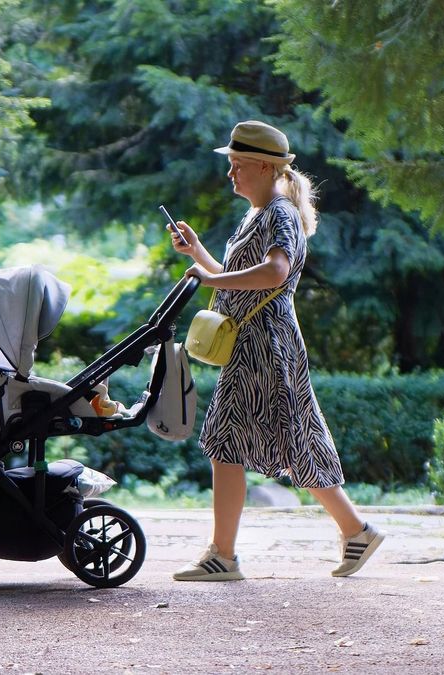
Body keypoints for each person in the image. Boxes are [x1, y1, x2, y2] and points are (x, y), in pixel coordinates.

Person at [168, 120, 385, 580]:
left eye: (237, 165)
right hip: (258, 340)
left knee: (231, 439)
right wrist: (198, 254)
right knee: (292, 438)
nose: (230, 174)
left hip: (265, 341)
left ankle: (223, 555)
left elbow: (275, 273)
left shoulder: (279, 214)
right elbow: (237, 276)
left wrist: (211, 278)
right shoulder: (260, 213)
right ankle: (356, 531)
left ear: (265, 168)